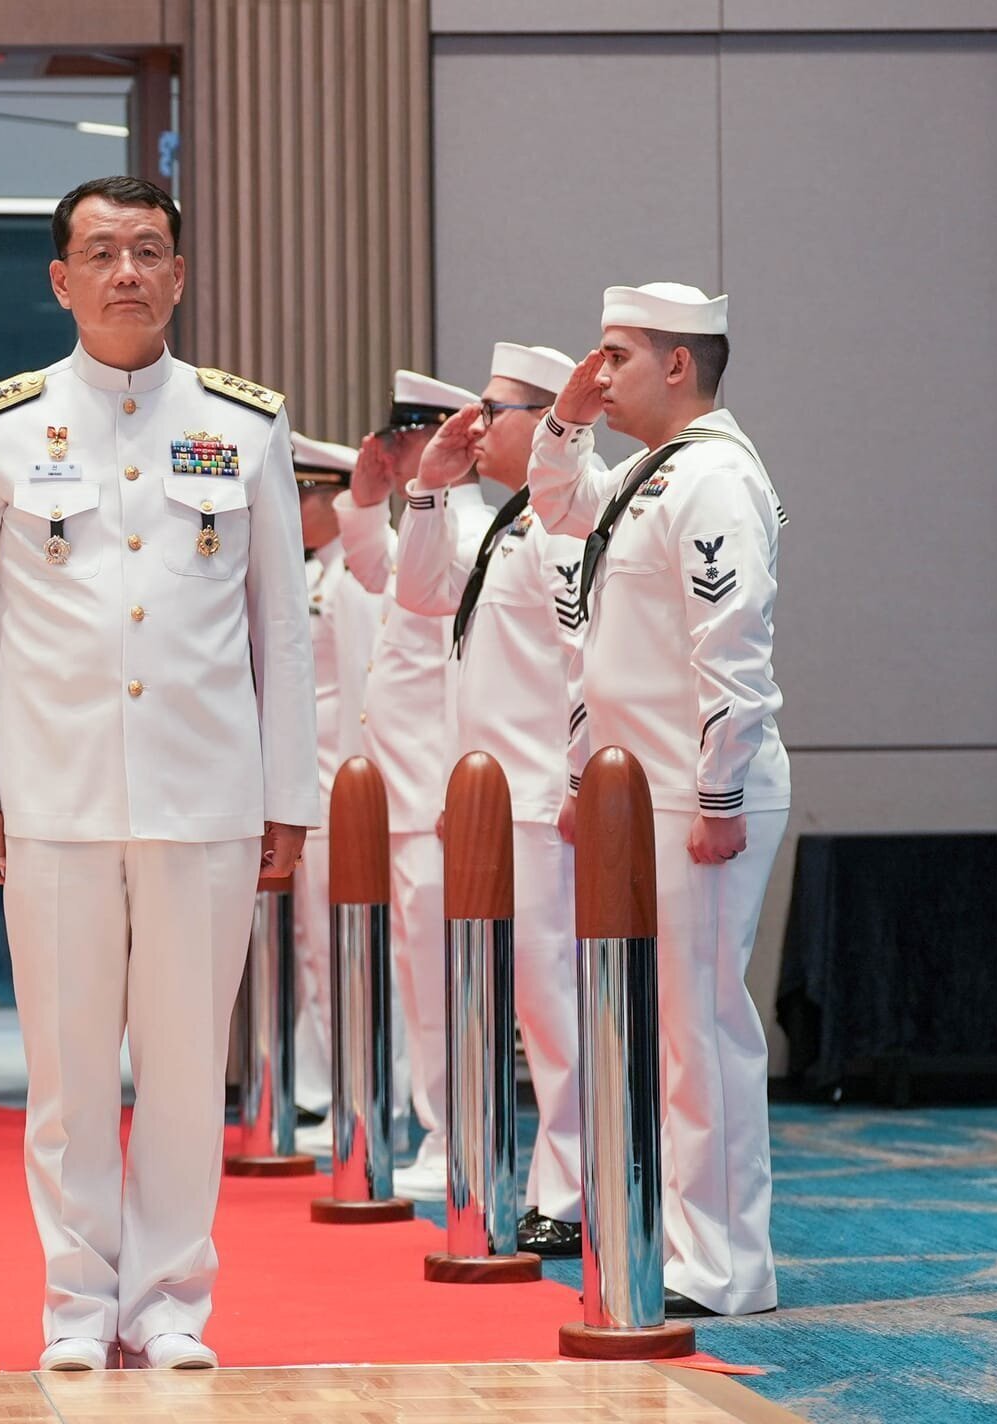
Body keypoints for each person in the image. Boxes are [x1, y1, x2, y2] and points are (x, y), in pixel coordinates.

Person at [0, 175, 318, 1372]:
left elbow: (281, 630)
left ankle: (168, 1299)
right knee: (68, 1065)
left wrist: (285, 793)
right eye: (100, 253)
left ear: (181, 274)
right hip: (54, 794)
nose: (126, 273)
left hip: (205, 791)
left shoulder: (247, 424)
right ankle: (76, 1304)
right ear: (61, 279)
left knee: (191, 1065)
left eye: (148, 250)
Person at [529, 283, 788, 1318]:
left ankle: (725, 1263)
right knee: (664, 1030)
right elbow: (552, 507)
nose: (598, 373)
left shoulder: (711, 476)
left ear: (677, 363)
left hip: (697, 795)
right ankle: (686, 1239)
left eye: (615, 355)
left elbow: (733, 652)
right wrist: (562, 419)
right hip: (642, 796)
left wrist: (717, 791)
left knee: (702, 1029)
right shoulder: (649, 470)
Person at [392, 342, 590, 1256]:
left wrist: (580, 782)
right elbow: (425, 590)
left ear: (548, 419)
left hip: (547, 799)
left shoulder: (564, 523)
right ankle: (561, 1178)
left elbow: (591, 667)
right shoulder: (514, 519)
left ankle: (578, 1190)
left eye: (495, 409)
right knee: (526, 1003)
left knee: (555, 1004)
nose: (474, 424)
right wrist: (428, 491)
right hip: (494, 799)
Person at [334, 370, 486, 1202]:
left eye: (400, 442)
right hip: (402, 796)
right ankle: (438, 1122)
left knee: (441, 982)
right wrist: (361, 503)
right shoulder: (428, 526)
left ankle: (451, 1129)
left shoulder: (463, 527)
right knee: (417, 975)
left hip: (437, 794)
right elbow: (374, 570)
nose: (388, 454)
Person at [286, 434, 375, 1151]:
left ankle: (356, 1090)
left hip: (341, 783)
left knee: (347, 952)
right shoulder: (317, 572)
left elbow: (360, 696)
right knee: (314, 948)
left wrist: (353, 791)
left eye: (300, 495)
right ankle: (320, 1087)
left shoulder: (354, 577)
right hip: (310, 786)